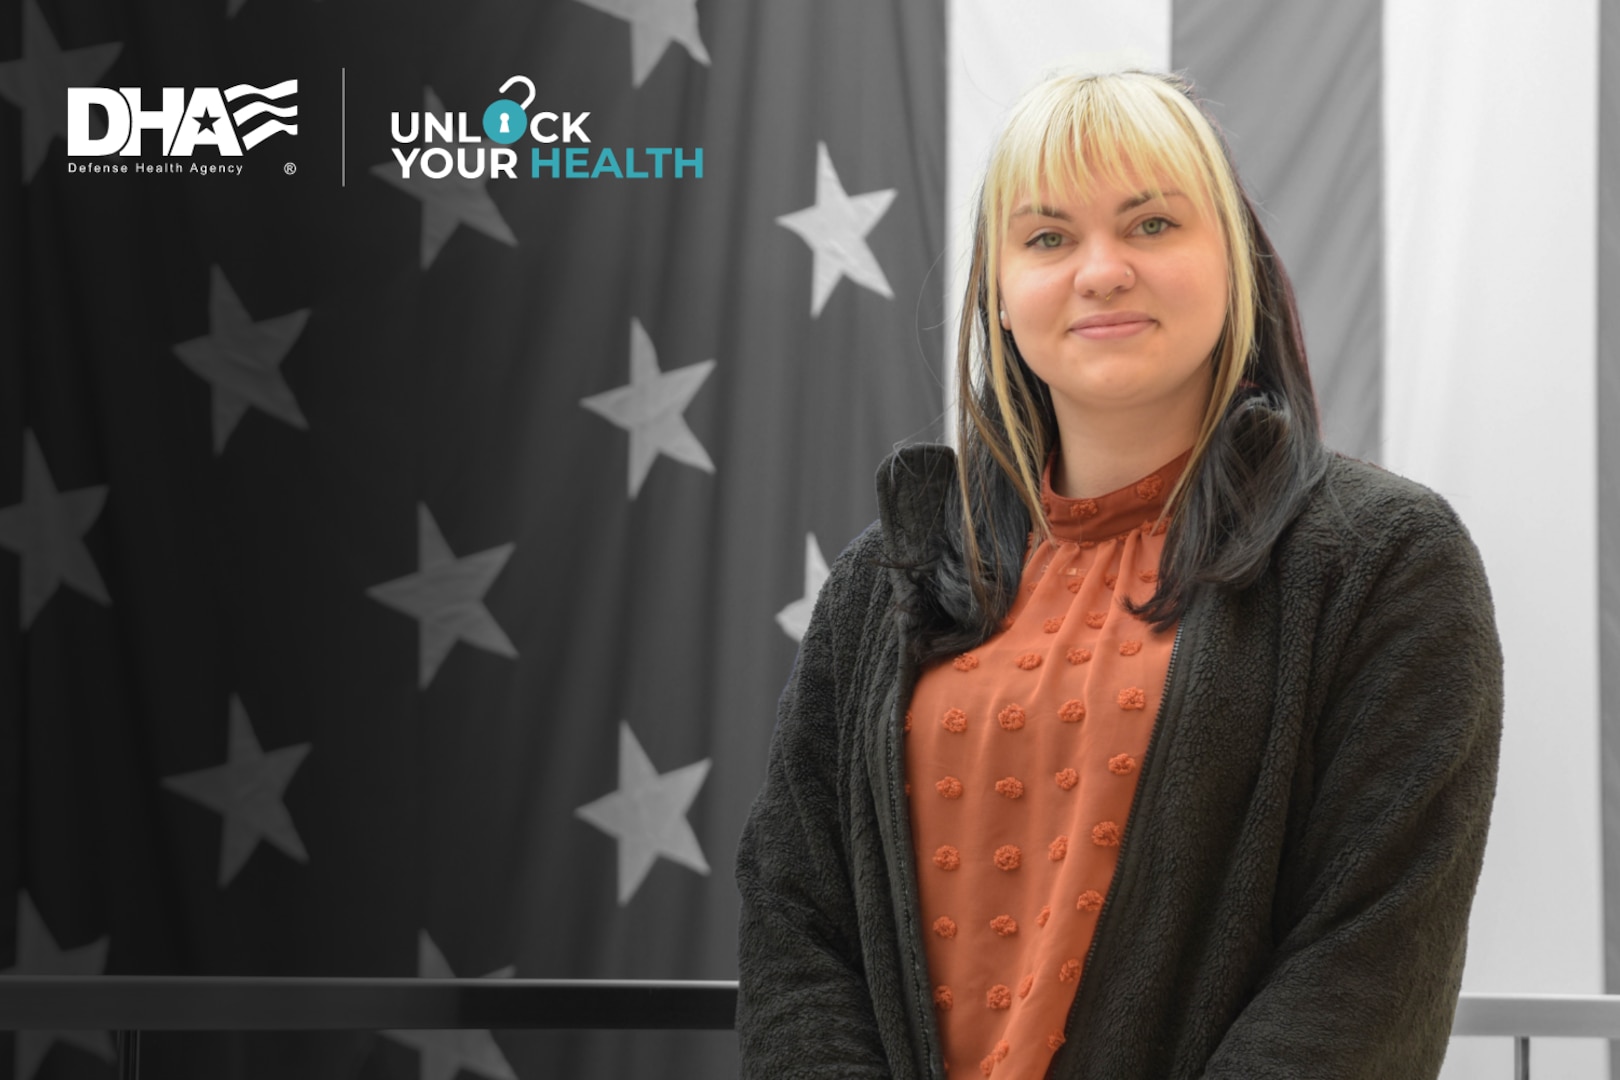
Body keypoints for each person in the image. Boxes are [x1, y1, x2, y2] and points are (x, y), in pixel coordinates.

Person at [735, 69, 1502, 1080]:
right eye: (1048, 238)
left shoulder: (1385, 562)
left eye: (1150, 226)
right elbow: (796, 919)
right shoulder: (884, 577)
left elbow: (1364, 965)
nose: (1101, 271)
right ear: (999, 297)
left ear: (1235, 263)